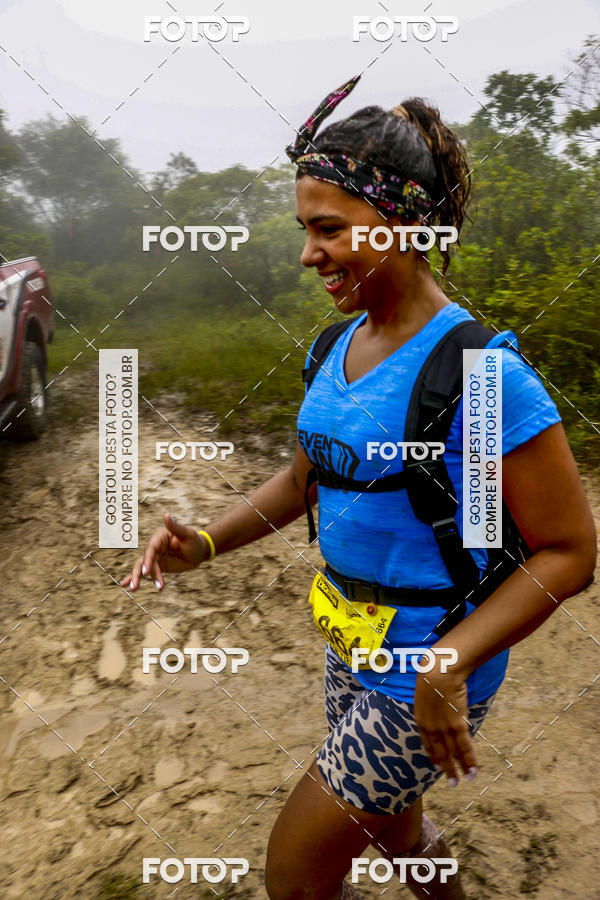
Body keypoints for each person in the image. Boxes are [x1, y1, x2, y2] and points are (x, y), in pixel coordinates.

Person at [120, 75, 597, 900]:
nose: (309, 255)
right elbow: (308, 479)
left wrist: (446, 664)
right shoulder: (335, 346)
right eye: (306, 231)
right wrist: (203, 542)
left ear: (406, 224)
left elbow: (568, 552)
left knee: (296, 868)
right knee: (397, 826)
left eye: (329, 230)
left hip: (426, 664)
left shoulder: (479, 373)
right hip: (349, 643)